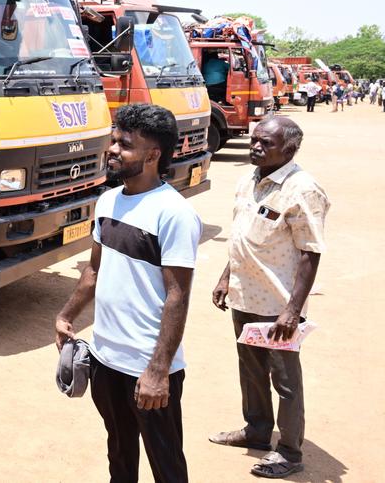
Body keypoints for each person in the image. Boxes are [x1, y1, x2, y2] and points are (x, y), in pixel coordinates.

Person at [56, 103, 202, 483]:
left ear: (153, 155)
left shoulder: (173, 213)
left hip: (147, 368)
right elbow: (94, 270)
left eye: (125, 144)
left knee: (166, 465)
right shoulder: (109, 201)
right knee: (119, 454)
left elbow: (177, 296)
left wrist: (158, 371)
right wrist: (67, 315)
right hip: (105, 360)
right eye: (114, 140)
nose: (113, 149)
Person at [209, 116, 328, 479]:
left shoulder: (303, 190)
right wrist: (226, 277)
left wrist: (292, 309)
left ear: (290, 149)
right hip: (245, 295)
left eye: (266, 143)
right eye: (254, 140)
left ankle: (289, 452)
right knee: (251, 370)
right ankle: (257, 430)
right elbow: (242, 235)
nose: (256, 147)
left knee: (285, 380)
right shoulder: (249, 179)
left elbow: (310, 253)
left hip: (278, 306)